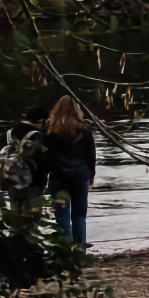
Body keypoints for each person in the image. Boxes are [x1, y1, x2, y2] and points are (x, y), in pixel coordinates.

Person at [43, 96, 97, 247]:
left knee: (62, 216)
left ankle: (65, 251)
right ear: (77, 109)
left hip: (58, 177)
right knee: (79, 216)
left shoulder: (50, 129)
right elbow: (90, 156)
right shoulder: (84, 129)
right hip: (80, 177)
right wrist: (91, 175)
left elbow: (44, 156)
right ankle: (80, 251)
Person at [0, 106, 50, 214]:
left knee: (15, 218)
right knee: (31, 219)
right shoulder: (37, 136)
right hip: (34, 184)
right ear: (41, 121)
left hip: (12, 182)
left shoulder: (9, 133)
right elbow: (44, 161)